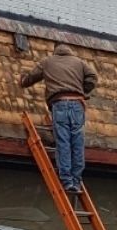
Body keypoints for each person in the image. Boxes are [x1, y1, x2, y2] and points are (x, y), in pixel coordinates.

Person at [19, 44, 98, 194]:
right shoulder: (79, 62)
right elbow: (93, 76)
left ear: (54, 51)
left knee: (63, 141)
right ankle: (76, 179)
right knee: (77, 142)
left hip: (60, 103)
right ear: (69, 51)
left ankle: (67, 181)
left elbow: (31, 77)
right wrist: (84, 90)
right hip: (77, 104)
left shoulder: (48, 61)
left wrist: (22, 81)